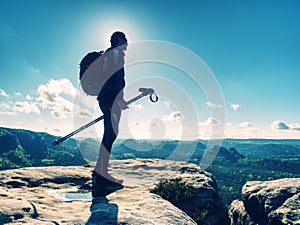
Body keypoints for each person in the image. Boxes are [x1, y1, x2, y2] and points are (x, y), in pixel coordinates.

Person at [92, 31, 128, 186]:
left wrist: (120, 99)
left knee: (110, 133)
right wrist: (118, 99)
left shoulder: (110, 54)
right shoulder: (115, 54)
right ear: (118, 40)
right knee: (110, 134)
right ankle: (101, 174)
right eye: (124, 39)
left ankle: (100, 171)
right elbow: (114, 77)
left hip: (107, 98)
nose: (127, 42)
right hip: (110, 99)